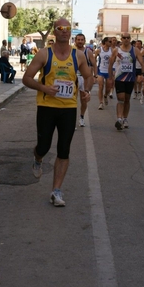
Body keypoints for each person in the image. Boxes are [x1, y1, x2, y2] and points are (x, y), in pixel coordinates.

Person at [22, 18, 92, 207]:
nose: (65, 31)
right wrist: (43, 88)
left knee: (64, 149)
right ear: (55, 31)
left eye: (68, 29)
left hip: (68, 109)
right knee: (44, 146)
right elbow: (26, 78)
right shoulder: (45, 54)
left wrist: (87, 92)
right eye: (61, 28)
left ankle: (56, 191)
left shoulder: (78, 56)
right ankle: (37, 157)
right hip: (46, 108)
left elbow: (88, 76)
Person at [108, 33, 144, 130]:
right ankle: (119, 119)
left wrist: (142, 75)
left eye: (127, 38)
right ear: (121, 39)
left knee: (127, 99)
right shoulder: (117, 50)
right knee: (121, 98)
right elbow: (110, 63)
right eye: (124, 38)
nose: (126, 39)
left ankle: (125, 118)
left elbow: (142, 63)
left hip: (130, 78)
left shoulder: (135, 50)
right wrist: (110, 77)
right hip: (119, 78)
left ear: (130, 39)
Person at [74, 33, 96, 126]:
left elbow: (94, 64)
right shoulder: (71, 51)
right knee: (72, 100)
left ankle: (82, 117)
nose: (80, 41)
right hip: (73, 77)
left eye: (81, 40)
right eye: (78, 39)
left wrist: (95, 76)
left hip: (84, 78)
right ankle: (72, 120)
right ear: (75, 41)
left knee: (84, 100)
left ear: (84, 41)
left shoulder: (88, 52)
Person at [95, 37, 112, 110]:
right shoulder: (99, 50)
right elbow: (93, 60)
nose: (111, 43)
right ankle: (101, 103)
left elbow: (119, 58)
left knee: (108, 88)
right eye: (109, 41)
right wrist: (94, 71)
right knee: (101, 86)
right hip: (101, 71)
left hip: (109, 71)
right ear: (105, 42)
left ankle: (105, 95)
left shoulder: (112, 50)